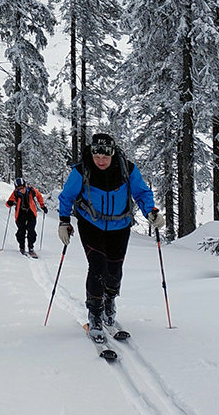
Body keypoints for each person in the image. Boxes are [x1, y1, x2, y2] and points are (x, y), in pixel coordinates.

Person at [56, 133, 165, 341]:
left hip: (120, 225)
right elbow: (67, 196)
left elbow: (141, 193)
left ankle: (109, 300)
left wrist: (151, 212)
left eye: (105, 157)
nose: (100, 161)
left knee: (114, 270)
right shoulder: (81, 170)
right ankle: (95, 314)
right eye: (97, 156)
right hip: (91, 224)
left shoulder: (126, 169)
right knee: (97, 266)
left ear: (112, 154)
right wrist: (64, 221)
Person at [5, 176, 47, 256]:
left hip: (31, 213)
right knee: (21, 231)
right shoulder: (15, 193)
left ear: (25, 185)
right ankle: (22, 247)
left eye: (22, 187)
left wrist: (42, 206)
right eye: (19, 188)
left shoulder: (31, 190)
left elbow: (39, 196)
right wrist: (10, 203)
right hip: (20, 214)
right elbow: (8, 203)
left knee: (31, 230)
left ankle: (31, 248)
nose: (21, 190)